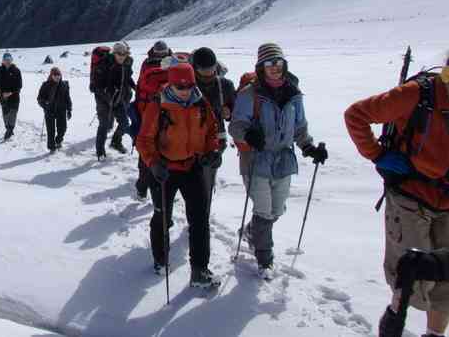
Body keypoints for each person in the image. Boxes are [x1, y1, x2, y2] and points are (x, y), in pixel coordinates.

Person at [346, 49, 449, 337]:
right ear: (446, 80)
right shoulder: (414, 95)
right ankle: (395, 316)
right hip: (410, 195)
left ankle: (435, 334)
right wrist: (376, 154)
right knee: (411, 272)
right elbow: (356, 115)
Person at [229, 43, 327, 280]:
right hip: (256, 159)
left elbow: (300, 126)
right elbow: (235, 126)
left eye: (278, 62)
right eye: (269, 63)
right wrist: (248, 134)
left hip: (283, 159)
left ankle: (252, 232)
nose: (274, 67)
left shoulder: (293, 93)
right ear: (261, 67)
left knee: (277, 209)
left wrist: (309, 147)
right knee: (264, 210)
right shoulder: (249, 94)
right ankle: (265, 259)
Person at [136, 62, 221, 287]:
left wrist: (212, 150)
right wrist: (153, 163)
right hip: (164, 169)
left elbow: (212, 130)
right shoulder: (159, 105)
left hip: (192, 166)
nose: (184, 90)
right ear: (170, 84)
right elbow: (143, 140)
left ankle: (199, 270)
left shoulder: (200, 102)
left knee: (200, 219)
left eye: (188, 85)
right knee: (162, 216)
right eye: (179, 86)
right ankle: (160, 259)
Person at [132, 41, 174, 198]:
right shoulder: (172, 63)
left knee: (147, 151)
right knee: (162, 150)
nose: (161, 55)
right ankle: (157, 187)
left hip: (148, 113)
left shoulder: (147, 64)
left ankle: (143, 187)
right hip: (167, 114)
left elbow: (140, 87)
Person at [192, 47, 235, 200]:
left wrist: (229, 111)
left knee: (206, 179)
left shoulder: (225, 85)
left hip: (216, 141)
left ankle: (204, 209)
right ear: (195, 68)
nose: (209, 73)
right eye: (204, 70)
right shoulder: (187, 84)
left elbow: (235, 109)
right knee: (193, 181)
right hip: (190, 139)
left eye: (211, 68)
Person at [93, 41, 136, 160]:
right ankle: (100, 152)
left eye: (124, 54)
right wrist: (106, 95)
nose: (122, 56)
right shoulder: (104, 65)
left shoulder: (126, 65)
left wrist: (135, 87)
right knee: (104, 125)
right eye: (119, 54)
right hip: (103, 100)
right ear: (114, 53)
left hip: (117, 98)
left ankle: (115, 142)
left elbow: (128, 78)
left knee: (124, 123)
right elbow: (96, 86)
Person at [37, 66, 72, 152]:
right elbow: (39, 98)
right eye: (55, 75)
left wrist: (69, 110)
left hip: (61, 110)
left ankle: (58, 140)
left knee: (62, 128)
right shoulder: (46, 85)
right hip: (49, 110)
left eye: (58, 75)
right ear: (51, 75)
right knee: (51, 131)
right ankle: (51, 147)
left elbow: (67, 98)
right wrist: (45, 105)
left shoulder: (64, 85)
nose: (57, 77)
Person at [0, 52, 23, 141]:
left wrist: (11, 92)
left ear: (11, 60)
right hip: (3, 96)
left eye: (9, 60)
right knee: (5, 115)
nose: (7, 61)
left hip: (14, 96)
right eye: (5, 60)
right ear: (3, 61)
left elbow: (19, 85)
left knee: (13, 114)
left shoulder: (16, 70)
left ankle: (10, 130)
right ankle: (8, 128)